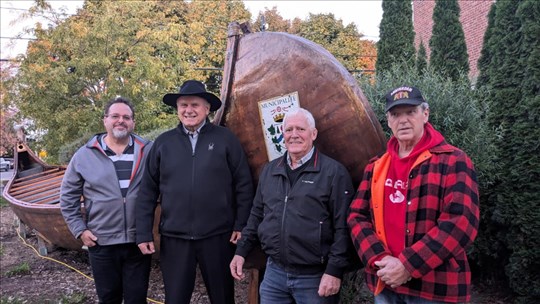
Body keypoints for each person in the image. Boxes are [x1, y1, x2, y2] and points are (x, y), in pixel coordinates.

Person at [348, 86, 480, 303]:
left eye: (411, 112)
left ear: (425, 114)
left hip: (434, 291)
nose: (403, 120)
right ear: (388, 121)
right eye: (396, 114)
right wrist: (379, 259)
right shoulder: (376, 167)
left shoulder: (453, 161)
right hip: (385, 284)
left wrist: (408, 266)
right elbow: (356, 217)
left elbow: (461, 223)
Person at [136, 80, 253, 304]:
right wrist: (143, 232)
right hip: (175, 238)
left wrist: (241, 224)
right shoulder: (163, 143)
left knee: (223, 298)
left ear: (207, 108)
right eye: (183, 105)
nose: (189, 110)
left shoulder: (225, 139)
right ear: (177, 109)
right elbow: (147, 191)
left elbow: (244, 184)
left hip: (217, 236)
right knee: (176, 299)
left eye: (195, 105)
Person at [230, 108, 354, 304]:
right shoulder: (270, 170)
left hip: (314, 279)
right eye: (288, 130)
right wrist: (241, 252)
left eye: (300, 129)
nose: (294, 135)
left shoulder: (333, 173)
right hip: (274, 275)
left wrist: (334, 271)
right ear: (282, 134)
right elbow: (256, 215)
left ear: (313, 134)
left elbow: (344, 228)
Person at [60, 97, 153, 304]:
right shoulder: (84, 155)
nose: (121, 121)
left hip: (138, 240)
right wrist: (79, 229)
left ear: (133, 123)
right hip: (101, 241)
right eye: (115, 116)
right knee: (109, 298)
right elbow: (68, 197)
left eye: (126, 117)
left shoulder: (148, 151)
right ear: (105, 120)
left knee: (137, 299)